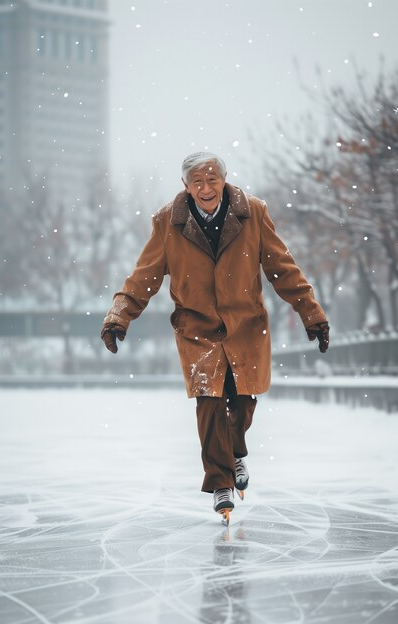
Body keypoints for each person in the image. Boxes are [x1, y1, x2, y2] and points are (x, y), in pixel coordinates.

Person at [101, 152, 329, 525]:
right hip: (197, 329)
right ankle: (221, 481)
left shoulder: (252, 213)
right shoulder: (167, 222)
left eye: (212, 180)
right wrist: (119, 317)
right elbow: (144, 276)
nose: (206, 188)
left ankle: (235, 450)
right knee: (209, 404)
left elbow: (282, 268)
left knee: (241, 403)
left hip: (245, 325)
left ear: (224, 180)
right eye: (197, 182)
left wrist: (311, 313)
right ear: (186, 186)